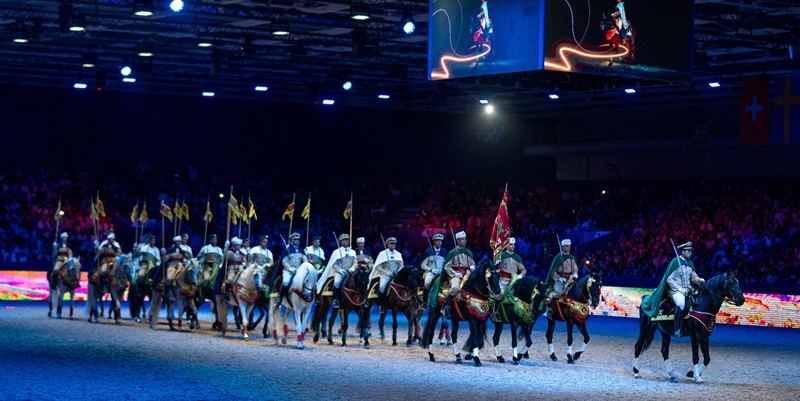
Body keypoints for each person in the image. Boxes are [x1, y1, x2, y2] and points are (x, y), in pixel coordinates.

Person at [641, 242, 705, 337]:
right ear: (683, 252)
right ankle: (677, 328)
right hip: (675, 291)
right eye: (688, 251)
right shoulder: (675, 262)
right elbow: (669, 279)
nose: (690, 253)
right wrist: (679, 289)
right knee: (681, 303)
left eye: (691, 251)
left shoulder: (690, 263)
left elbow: (693, 278)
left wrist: (699, 280)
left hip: (688, 290)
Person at [440, 231, 476, 319]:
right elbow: (447, 266)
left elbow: (473, 264)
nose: (464, 241)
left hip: (467, 275)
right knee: (455, 287)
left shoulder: (469, 253)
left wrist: (472, 267)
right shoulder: (452, 252)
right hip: (456, 275)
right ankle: (447, 306)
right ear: (458, 240)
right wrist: (455, 274)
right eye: (462, 239)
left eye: (465, 239)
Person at [316, 233, 356, 309]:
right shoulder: (336, 252)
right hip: (340, 272)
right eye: (344, 240)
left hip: (351, 272)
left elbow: (355, 262)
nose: (346, 241)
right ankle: (336, 300)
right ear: (340, 242)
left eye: (347, 240)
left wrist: (353, 268)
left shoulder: (352, 251)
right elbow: (334, 264)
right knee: (337, 282)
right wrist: (339, 270)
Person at [492, 237, 527, 320]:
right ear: (506, 245)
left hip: (515, 281)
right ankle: (495, 313)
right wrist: (496, 261)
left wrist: (521, 275)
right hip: (503, 280)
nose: (513, 246)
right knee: (500, 294)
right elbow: (495, 267)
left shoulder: (517, 257)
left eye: (514, 244)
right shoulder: (502, 255)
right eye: (511, 244)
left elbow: (523, 269)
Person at [543, 238, 578, 318]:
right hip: (559, 280)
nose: (568, 248)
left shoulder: (572, 258)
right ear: (562, 247)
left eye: (569, 246)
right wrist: (559, 278)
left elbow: (575, 269)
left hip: (570, 280)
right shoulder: (558, 258)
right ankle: (549, 308)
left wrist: (575, 274)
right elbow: (553, 271)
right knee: (559, 292)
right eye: (566, 246)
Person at [370, 237, 405, 314]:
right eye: (391, 243)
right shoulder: (382, 254)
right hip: (385, 275)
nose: (393, 245)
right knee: (382, 287)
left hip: (395, 275)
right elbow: (378, 266)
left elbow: (401, 265)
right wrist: (386, 272)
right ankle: (381, 305)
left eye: (394, 244)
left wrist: (397, 271)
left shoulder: (398, 254)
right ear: (387, 244)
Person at [272, 232, 307, 307]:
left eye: (298, 240)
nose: (297, 241)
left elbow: (305, 260)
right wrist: (290, 268)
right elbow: (284, 261)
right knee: (286, 282)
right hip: (289, 271)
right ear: (292, 240)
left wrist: (304, 267)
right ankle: (280, 300)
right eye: (295, 240)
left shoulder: (301, 250)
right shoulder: (287, 249)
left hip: (298, 271)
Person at [420, 233, 447, 309]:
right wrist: (431, 269)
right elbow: (423, 265)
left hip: (441, 272)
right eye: (438, 241)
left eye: (441, 241)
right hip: (430, 272)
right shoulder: (428, 251)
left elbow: (446, 264)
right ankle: (424, 302)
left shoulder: (444, 252)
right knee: (428, 282)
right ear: (434, 242)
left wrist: (442, 270)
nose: (439, 242)